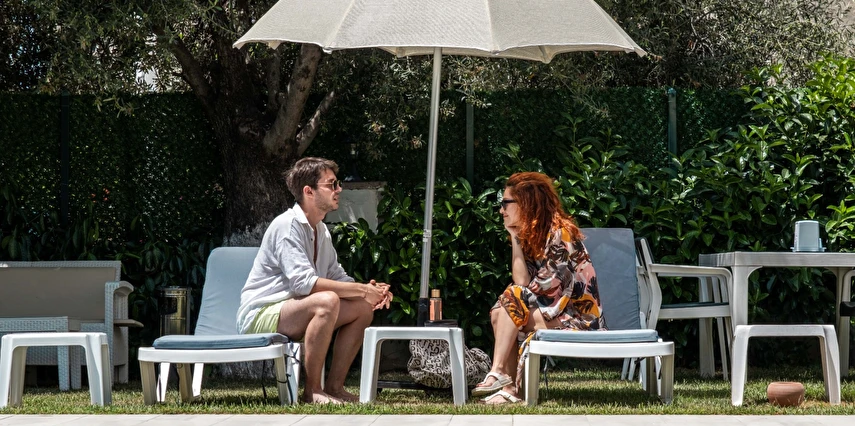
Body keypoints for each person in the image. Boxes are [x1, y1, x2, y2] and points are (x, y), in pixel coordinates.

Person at [236, 157, 393, 404]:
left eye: (338, 183)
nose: (339, 189)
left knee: (363, 308)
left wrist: (370, 291)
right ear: (308, 191)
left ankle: (335, 388)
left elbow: (336, 276)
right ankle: (313, 391)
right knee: (326, 301)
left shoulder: (320, 229)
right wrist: (361, 290)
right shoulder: (287, 226)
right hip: (261, 315)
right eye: (331, 184)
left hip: (295, 311)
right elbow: (303, 284)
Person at [473, 172, 606, 405]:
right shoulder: (533, 236)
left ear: (525, 203)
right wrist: (515, 238)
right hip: (553, 313)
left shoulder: (561, 235)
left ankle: (503, 377)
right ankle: (508, 385)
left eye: (505, 203)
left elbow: (547, 290)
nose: (501, 210)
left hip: (579, 320)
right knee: (501, 311)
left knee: (508, 307)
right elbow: (521, 281)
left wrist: (516, 298)